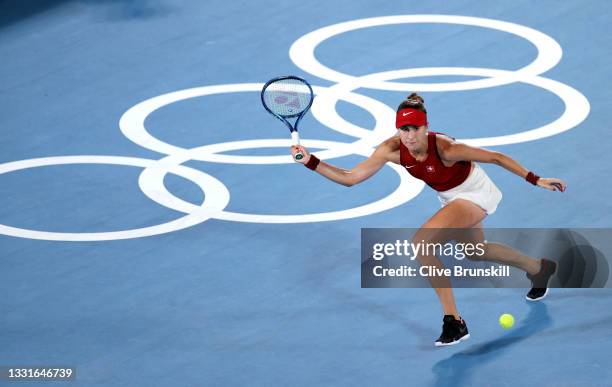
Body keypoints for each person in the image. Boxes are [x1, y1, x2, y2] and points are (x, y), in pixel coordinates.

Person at [290, 93, 565, 346]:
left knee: (421, 244)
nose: (409, 136)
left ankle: (454, 322)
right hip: (450, 196)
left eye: (415, 129)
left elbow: (496, 157)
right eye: (404, 129)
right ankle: (539, 268)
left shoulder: (446, 148)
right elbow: (350, 178)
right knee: (475, 252)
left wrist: (535, 179)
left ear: (426, 127)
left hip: (475, 192)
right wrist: (311, 161)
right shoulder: (391, 149)